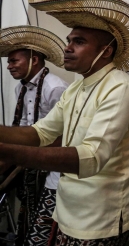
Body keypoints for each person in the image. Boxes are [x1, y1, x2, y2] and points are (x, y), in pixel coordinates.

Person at [0, 0, 129, 246]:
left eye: (79, 41)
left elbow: (92, 157)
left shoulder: (120, 87)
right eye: (69, 39)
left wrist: (7, 151)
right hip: (69, 206)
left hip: (102, 213)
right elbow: (42, 132)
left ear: (106, 50)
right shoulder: (77, 87)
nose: (67, 47)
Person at [0, 26, 69, 246]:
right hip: (29, 161)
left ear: (35, 60)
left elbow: (65, 134)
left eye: (14, 61)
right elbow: (22, 127)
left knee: (46, 220)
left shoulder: (56, 88)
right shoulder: (19, 90)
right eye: (8, 62)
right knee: (28, 211)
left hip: (53, 165)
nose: (9, 66)